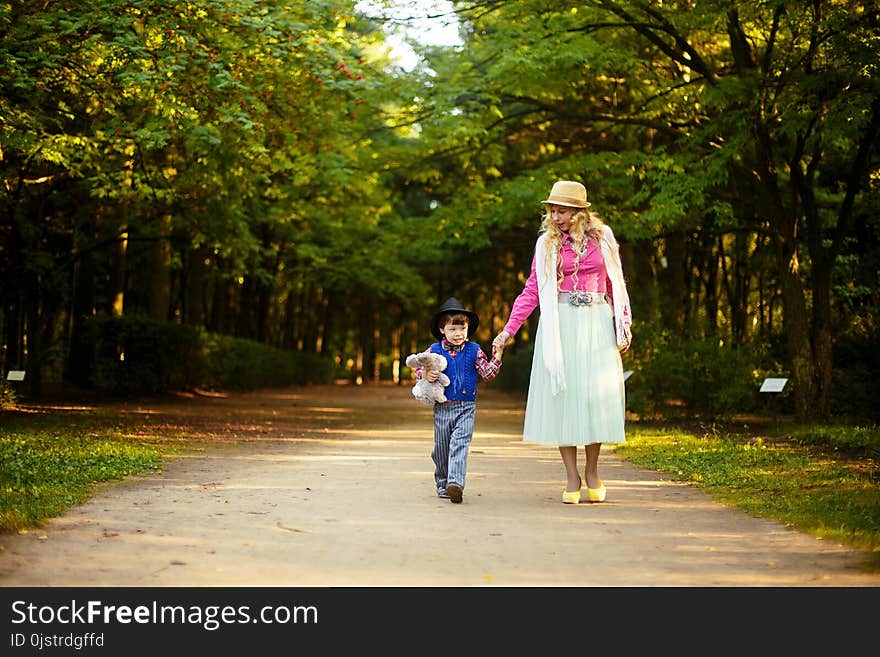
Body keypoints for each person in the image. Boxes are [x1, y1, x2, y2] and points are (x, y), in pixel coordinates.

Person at [492, 180, 632, 504]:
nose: (556, 216)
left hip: (597, 321)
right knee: (564, 397)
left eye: (563, 210)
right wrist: (507, 331)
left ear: (580, 211)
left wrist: (622, 323)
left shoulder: (604, 238)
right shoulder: (547, 245)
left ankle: (593, 469)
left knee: (594, 398)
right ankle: (572, 474)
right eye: (553, 210)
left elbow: (616, 283)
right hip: (562, 323)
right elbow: (532, 291)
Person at [413, 297, 503, 504]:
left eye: (462, 329)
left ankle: (456, 483)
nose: (458, 334)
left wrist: (498, 355)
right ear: (442, 329)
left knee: (459, 444)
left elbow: (487, 374)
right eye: (453, 329)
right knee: (441, 448)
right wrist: (426, 374)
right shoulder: (433, 350)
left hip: (466, 407)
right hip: (442, 407)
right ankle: (443, 482)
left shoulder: (474, 350)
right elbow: (419, 367)